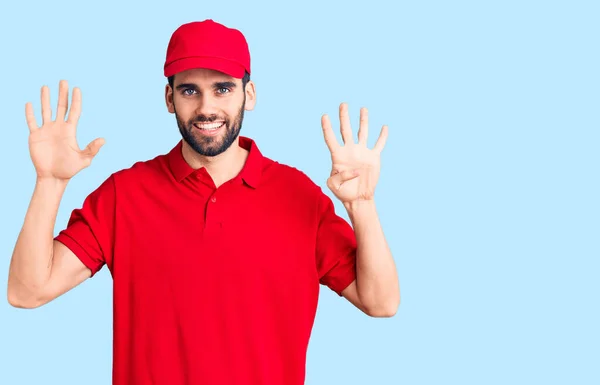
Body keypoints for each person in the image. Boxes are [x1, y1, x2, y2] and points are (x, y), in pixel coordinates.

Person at [7, 19, 400, 385]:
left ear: (249, 94)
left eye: (223, 88)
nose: (206, 107)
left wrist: (362, 204)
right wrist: (49, 182)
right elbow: (27, 291)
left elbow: (381, 302)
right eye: (189, 89)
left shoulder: (300, 197)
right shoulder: (124, 195)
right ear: (168, 98)